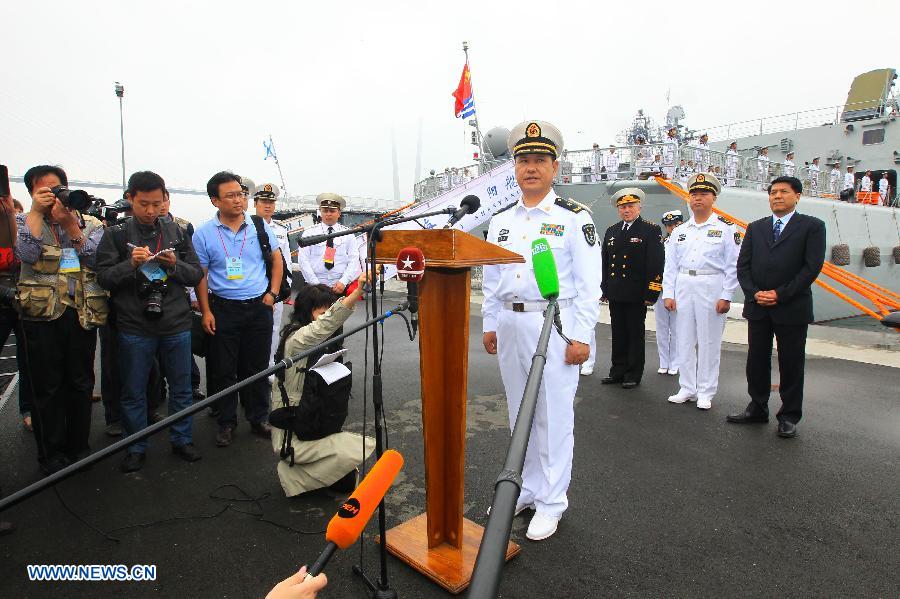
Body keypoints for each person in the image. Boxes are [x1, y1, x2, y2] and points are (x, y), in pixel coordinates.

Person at [482, 120, 600, 541]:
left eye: (539, 161)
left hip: (554, 324)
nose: (530, 168)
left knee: (552, 414)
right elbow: (494, 278)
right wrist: (491, 322)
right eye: (523, 161)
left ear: (554, 168)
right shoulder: (501, 221)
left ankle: (552, 501)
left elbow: (589, 285)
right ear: (514, 168)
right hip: (512, 323)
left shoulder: (572, 218)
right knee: (520, 411)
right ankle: (526, 489)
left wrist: (582, 336)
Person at [96, 171, 204, 472]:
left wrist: (175, 264)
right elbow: (103, 277)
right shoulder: (116, 234)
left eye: (157, 204)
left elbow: (195, 274)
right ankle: (136, 445)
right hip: (133, 325)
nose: (151, 211)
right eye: (144, 204)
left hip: (176, 323)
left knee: (182, 388)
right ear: (130, 198)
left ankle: (182, 439)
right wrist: (130, 264)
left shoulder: (177, 232)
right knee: (134, 390)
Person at [16, 165, 108, 475]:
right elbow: (26, 255)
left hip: (80, 311)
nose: (55, 196)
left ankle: (79, 448)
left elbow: (95, 258)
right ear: (32, 193)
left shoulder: (91, 222)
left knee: (80, 382)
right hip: (41, 315)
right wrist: (36, 213)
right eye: (45, 191)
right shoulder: (24, 222)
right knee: (47, 386)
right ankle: (50, 454)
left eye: (59, 189)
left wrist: (71, 226)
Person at [728, 176, 826, 438]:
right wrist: (754, 293)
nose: (777, 196)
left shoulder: (812, 227)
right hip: (759, 305)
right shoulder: (756, 228)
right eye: (773, 192)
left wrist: (779, 294)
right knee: (756, 360)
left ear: (797, 196)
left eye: (783, 192)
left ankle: (789, 415)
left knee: (791, 363)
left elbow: (811, 267)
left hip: (791, 306)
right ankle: (757, 407)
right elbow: (743, 266)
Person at [193, 171, 284, 447]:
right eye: (230, 195)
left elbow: (277, 260)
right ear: (214, 200)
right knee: (224, 369)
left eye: (241, 194)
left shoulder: (259, 226)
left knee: (256, 367)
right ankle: (226, 422)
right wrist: (207, 312)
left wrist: (272, 294)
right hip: (223, 310)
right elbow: (202, 276)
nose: (238, 200)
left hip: (258, 308)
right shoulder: (204, 234)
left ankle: (258, 418)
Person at [270, 277, 374, 496]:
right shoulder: (296, 339)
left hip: (315, 417)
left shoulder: (329, 342)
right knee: (357, 447)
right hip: (294, 426)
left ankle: (308, 475)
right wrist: (356, 293)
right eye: (321, 312)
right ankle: (293, 475)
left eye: (330, 310)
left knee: (346, 481)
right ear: (306, 312)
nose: (327, 318)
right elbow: (325, 325)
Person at [662, 173, 740, 410]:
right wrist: (668, 293)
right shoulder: (680, 230)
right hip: (685, 283)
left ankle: (706, 391)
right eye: (694, 194)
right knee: (683, 339)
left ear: (713, 198)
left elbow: (732, 265)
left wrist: (727, 295)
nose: (697, 198)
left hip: (711, 284)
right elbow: (671, 265)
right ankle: (687, 387)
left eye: (703, 194)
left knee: (708, 341)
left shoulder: (726, 228)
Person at [600, 188, 664, 389]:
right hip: (616, 291)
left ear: (639, 207)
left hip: (637, 293)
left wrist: (652, 292)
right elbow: (605, 262)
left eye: (630, 206)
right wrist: (604, 288)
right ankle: (617, 370)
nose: (626, 210)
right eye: (622, 207)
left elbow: (655, 264)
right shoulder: (612, 230)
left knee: (635, 334)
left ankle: (633, 373)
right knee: (618, 332)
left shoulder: (650, 230)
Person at [254, 183, 294, 374]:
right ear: (255, 203)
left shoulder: (280, 229)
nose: (267, 206)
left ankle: (268, 367)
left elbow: (285, 260)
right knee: (252, 329)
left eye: (271, 202)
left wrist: (287, 287)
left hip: (275, 287)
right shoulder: (247, 226)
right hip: (254, 285)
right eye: (263, 201)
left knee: (273, 327)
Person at [297, 194, 360, 295]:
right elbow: (303, 260)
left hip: (338, 286)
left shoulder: (348, 234)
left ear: (339, 213)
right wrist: (316, 285)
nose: (328, 214)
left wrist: (343, 281)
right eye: (325, 211)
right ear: (320, 212)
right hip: (314, 287)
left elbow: (354, 260)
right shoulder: (309, 233)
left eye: (332, 211)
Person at [655, 210, 683, 375]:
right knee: (662, 328)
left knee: (677, 328)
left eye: (675, 224)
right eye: (668, 225)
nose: (671, 228)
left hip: (678, 290)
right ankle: (664, 361)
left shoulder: (685, 242)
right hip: (660, 289)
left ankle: (676, 361)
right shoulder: (661, 242)